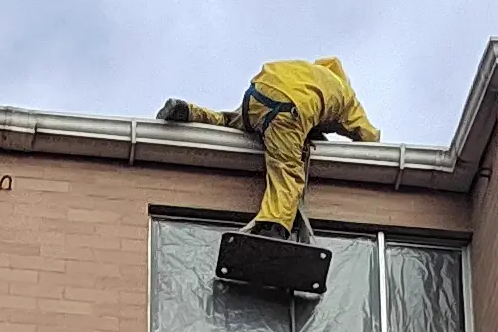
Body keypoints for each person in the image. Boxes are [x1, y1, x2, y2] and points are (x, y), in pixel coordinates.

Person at [158, 57, 380, 235]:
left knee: (230, 122)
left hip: (259, 94)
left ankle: (188, 111)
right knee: (287, 174)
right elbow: (369, 138)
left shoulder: (309, 72)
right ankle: (273, 227)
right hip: (290, 109)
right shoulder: (347, 98)